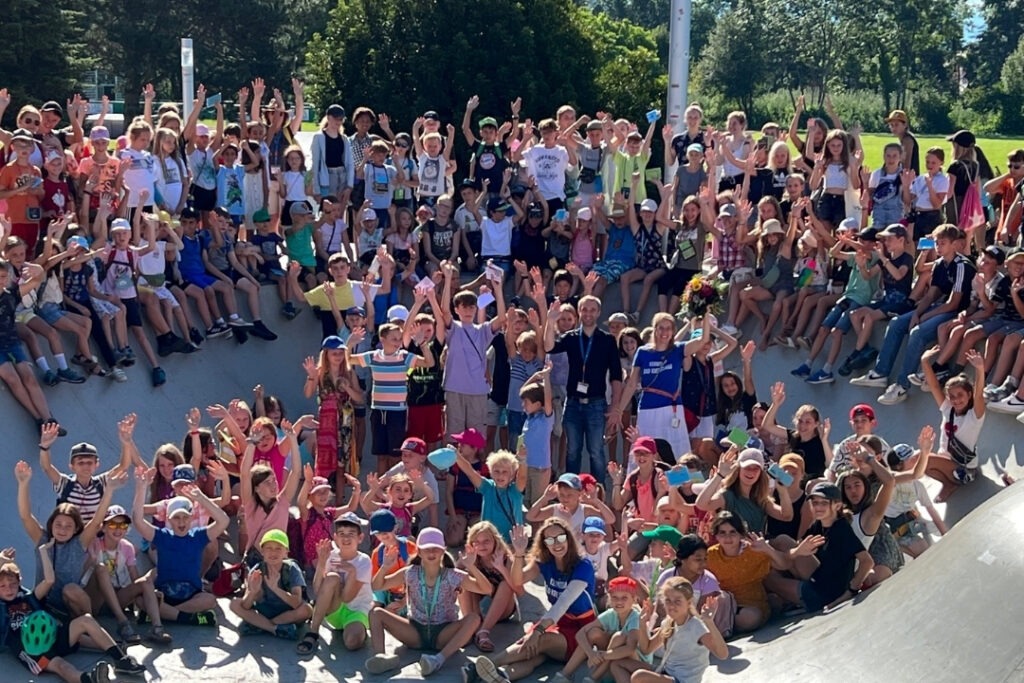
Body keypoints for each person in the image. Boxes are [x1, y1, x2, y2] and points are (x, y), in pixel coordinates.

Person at [851, 224, 975, 405]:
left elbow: (954, 303)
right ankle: (880, 373)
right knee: (896, 323)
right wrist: (917, 313)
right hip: (940, 307)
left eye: (943, 243)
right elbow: (932, 294)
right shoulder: (939, 264)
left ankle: (902, 386)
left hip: (957, 312)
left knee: (918, 332)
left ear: (954, 244)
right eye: (936, 243)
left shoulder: (962, 265)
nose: (938, 247)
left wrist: (925, 317)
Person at [474, 519, 597, 682]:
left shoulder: (583, 566)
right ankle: (500, 677)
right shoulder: (545, 562)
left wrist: (538, 631)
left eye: (560, 538)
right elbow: (518, 580)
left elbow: (563, 604)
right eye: (550, 540)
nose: (556, 544)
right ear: (544, 544)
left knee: (540, 640)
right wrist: (519, 553)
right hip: (557, 622)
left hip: (581, 629)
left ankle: (481, 668)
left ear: (568, 538)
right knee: (533, 654)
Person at [0, 546, 145, 682]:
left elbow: (49, 580)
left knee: (85, 621)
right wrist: (1, 560)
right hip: (31, 649)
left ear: (19, 583)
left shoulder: (29, 598)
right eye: (3, 586)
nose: (9, 589)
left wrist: (43, 550)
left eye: (13, 584)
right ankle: (91, 679)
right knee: (61, 666)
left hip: (53, 636)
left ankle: (120, 658)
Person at [366, 527, 490, 676]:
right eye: (426, 549)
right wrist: (385, 567)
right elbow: (377, 586)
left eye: (435, 549)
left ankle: (438, 659)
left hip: (443, 633)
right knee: (376, 613)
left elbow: (486, 589)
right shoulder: (410, 572)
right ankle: (381, 657)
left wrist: (471, 567)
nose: (431, 553)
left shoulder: (452, 575)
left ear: (443, 550)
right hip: (415, 632)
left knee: (474, 618)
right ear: (419, 552)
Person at [16, 461, 122, 619]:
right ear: (51, 524)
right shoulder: (42, 538)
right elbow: (25, 516)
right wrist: (23, 484)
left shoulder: (79, 543)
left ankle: (89, 623)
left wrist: (109, 491)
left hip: (70, 606)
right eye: (58, 524)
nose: (62, 529)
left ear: (76, 528)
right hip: (44, 606)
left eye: (68, 526)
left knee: (71, 589)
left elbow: (96, 522)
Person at [131, 466, 228, 626]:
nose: (181, 522)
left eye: (185, 517)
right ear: (168, 519)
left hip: (191, 594)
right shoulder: (162, 536)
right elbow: (138, 520)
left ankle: (163, 613)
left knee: (209, 600)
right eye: (176, 518)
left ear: (191, 517)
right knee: (140, 600)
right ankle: (185, 617)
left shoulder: (198, 536)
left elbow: (223, 521)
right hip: (164, 593)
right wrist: (141, 488)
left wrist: (201, 498)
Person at [544, 295, 623, 479]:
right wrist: (550, 320)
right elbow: (549, 347)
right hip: (572, 403)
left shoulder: (607, 340)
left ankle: (599, 491)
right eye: (584, 309)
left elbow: (616, 376)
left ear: (599, 312)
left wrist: (615, 406)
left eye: (592, 310)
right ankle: (571, 490)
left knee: (596, 452)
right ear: (579, 312)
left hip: (596, 404)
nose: (588, 313)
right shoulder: (571, 337)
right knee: (572, 451)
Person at [628, 576, 729, 683]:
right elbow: (646, 649)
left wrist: (709, 622)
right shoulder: (668, 623)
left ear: (688, 603)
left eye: (677, 601)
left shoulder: (696, 626)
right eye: (668, 601)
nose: (672, 606)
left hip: (683, 680)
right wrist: (642, 624)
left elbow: (723, 655)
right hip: (667, 672)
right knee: (621, 663)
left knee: (639, 676)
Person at [300, 511, 373, 656]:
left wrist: (352, 572)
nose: (346, 538)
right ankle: (313, 631)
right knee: (332, 578)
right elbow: (318, 590)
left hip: (356, 610)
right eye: (341, 534)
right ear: (335, 537)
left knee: (352, 643)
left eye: (351, 534)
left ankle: (358, 629)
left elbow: (347, 597)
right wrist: (321, 563)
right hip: (334, 609)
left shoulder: (363, 561)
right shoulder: (331, 556)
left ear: (360, 538)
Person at [920, 349, 987, 502]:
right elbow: (934, 386)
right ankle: (948, 484)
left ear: (968, 395)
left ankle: (951, 483)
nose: (956, 400)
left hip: (965, 471)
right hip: (947, 463)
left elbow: (979, 394)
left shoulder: (974, 417)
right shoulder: (948, 409)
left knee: (923, 458)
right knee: (922, 463)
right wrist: (924, 362)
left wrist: (979, 368)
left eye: (960, 395)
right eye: (952, 396)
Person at [229, 529, 312, 640]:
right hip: (265, 610)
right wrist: (252, 593)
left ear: (286, 552)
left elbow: (297, 603)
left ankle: (260, 625)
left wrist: (276, 588)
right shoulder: (257, 570)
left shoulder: (292, 569)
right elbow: (246, 606)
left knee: (306, 610)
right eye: (269, 548)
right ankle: (274, 628)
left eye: (278, 548)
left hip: (287, 612)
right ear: (262, 551)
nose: (273, 553)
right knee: (234, 604)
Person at [695, 447, 794, 537]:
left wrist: (783, 491)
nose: (751, 472)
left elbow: (787, 516)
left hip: (756, 547)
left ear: (760, 473)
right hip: (733, 546)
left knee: (783, 540)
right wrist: (720, 475)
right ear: (738, 470)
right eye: (747, 467)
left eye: (755, 468)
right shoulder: (727, 495)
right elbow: (701, 505)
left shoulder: (761, 499)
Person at [884, 109, 920, 174]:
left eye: (896, 125)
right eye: (891, 125)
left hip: (910, 178)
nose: (894, 128)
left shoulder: (907, 140)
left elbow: (906, 165)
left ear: (905, 125)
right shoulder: (903, 139)